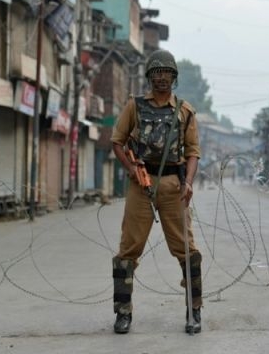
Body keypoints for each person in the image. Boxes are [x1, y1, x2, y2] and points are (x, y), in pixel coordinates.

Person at [110, 49, 203, 334]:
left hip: (174, 186)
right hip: (142, 184)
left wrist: (187, 183)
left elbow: (193, 153)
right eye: (157, 73)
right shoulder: (134, 106)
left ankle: (194, 310)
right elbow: (117, 141)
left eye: (167, 73)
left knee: (186, 249)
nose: (161, 78)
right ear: (149, 76)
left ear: (174, 78)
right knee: (128, 249)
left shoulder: (185, 111)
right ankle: (123, 312)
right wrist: (130, 170)